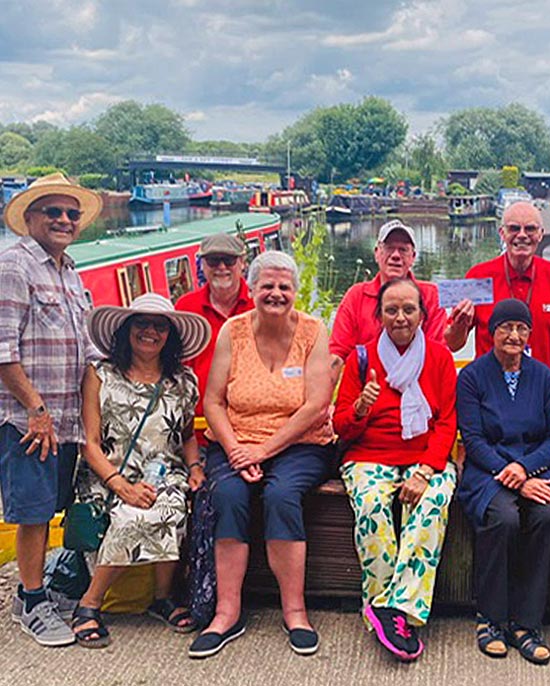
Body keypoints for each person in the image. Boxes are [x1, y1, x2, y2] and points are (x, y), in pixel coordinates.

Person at [189, 252, 335, 659]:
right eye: (266, 286)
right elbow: (213, 402)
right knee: (229, 496)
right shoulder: (232, 331)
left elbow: (316, 405)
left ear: (295, 291)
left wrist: (263, 450)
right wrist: (236, 450)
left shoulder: (312, 330)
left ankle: (295, 611)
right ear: (250, 290)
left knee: (281, 494)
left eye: (284, 286)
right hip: (236, 443)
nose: (275, 293)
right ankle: (226, 612)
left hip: (301, 443)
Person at [71, 293, 211, 647]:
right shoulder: (100, 375)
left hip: (162, 474)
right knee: (132, 514)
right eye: (141, 323)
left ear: (170, 335)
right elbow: (89, 441)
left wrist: (194, 467)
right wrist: (120, 485)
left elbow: (186, 434)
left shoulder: (182, 380)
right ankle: (89, 603)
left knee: (171, 506)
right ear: (125, 330)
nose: (150, 331)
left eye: (159, 326)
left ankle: (162, 597)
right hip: (106, 474)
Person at [0, 173, 102, 647]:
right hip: (29, 420)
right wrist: (35, 410)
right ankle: (32, 600)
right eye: (53, 212)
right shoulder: (14, 266)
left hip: (66, 420)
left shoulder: (70, 272)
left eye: (71, 213)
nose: (64, 220)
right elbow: (2, 351)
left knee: (53, 505)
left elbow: (86, 350)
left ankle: (33, 591)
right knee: (34, 511)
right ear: (31, 218)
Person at [334, 278, 457, 662]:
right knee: (371, 507)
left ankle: (389, 609)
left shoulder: (438, 358)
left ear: (422, 313)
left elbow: (447, 422)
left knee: (431, 505)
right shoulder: (362, 359)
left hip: (425, 456)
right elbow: (341, 426)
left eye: (409, 309)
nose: (401, 317)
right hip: (369, 456)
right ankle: (394, 611)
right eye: (392, 310)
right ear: (379, 315)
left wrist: (424, 472)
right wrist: (359, 408)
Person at [456, 299, 550, 665]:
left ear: (529, 334)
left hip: (536, 468)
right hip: (488, 469)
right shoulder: (473, 377)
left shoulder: (544, 378)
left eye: (521, 328)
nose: (514, 335)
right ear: (492, 333)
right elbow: (472, 439)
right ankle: (490, 617)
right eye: (506, 327)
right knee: (503, 518)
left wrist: (525, 470)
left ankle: (527, 622)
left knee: (548, 516)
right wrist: (512, 476)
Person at [445, 201, 550, 419]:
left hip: (541, 390)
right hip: (490, 390)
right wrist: (459, 324)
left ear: (541, 234)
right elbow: (454, 345)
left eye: (530, 229)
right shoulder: (479, 275)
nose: (522, 235)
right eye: (514, 228)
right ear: (502, 233)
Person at [329, 219, 448, 376]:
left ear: (413, 257)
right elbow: (337, 353)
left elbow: (437, 352)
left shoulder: (431, 295)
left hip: (418, 385)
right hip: (368, 388)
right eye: (389, 248)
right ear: (377, 253)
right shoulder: (356, 296)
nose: (396, 256)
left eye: (403, 250)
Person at [174, 232, 253, 444]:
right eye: (213, 261)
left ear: (242, 263)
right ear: (202, 265)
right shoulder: (185, 308)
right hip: (197, 434)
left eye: (229, 260)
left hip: (251, 431)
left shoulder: (260, 306)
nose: (221, 267)